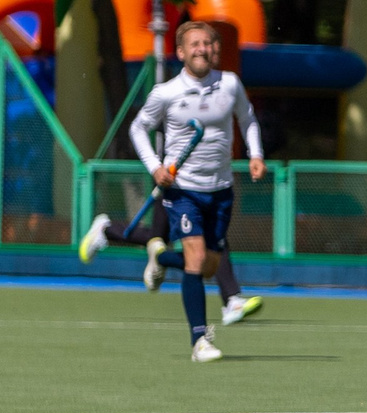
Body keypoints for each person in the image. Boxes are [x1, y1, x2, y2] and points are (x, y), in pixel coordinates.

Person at [89, 19, 266, 360]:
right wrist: (155, 167)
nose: (202, 49)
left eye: (206, 43)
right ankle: (200, 341)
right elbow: (138, 129)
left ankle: (159, 256)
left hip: (221, 189)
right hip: (183, 190)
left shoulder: (230, 84)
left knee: (209, 266)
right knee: (196, 259)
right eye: (194, 44)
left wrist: (255, 154)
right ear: (181, 52)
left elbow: (247, 119)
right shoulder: (166, 93)